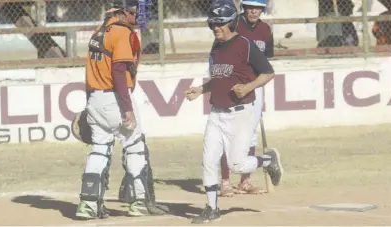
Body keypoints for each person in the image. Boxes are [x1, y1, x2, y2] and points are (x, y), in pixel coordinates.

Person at [184, 0, 283, 223]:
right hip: (216, 113)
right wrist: (200, 89)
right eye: (212, 24)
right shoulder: (216, 47)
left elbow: (268, 73)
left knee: (237, 164)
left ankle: (267, 160)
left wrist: (247, 87)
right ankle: (211, 207)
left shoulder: (245, 45)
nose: (216, 29)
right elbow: (218, 78)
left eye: (220, 24)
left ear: (232, 23)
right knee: (208, 161)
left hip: (240, 113)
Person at [74, 0, 168, 219]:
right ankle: (138, 202)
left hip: (95, 98)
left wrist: (90, 106)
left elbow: (91, 71)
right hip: (115, 98)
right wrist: (127, 109)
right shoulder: (121, 32)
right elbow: (118, 72)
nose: (140, 14)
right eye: (136, 10)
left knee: (99, 149)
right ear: (124, 12)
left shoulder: (99, 31)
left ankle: (88, 204)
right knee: (135, 145)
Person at [219, 0, 274, 197]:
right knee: (226, 132)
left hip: (255, 86)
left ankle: (245, 181)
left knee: (250, 134)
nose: (254, 11)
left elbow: (267, 62)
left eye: (258, 7)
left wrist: (258, 84)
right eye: (250, 6)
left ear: (263, 9)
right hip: (231, 84)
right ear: (243, 8)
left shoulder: (266, 30)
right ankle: (225, 182)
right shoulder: (234, 25)